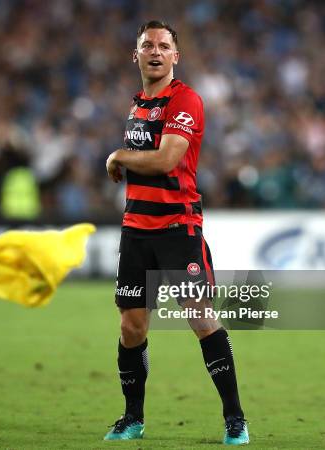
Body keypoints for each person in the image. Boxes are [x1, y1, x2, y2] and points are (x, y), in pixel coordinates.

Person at [103, 20, 249, 445]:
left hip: (176, 228)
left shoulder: (185, 100)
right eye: (147, 45)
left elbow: (168, 160)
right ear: (136, 55)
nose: (155, 51)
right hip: (136, 229)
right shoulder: (136, 104)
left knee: (201, 318)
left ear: (175, 56)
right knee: (132, 328)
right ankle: (133, 418)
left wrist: (117, 155)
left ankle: (234, 418)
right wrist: (124, 159)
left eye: (163, 46)